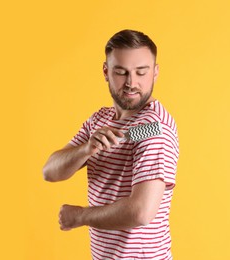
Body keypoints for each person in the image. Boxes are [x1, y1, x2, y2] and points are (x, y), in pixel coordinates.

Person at [43, 29, 179, 260]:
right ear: (106, 72)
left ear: (155, 73)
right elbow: (50, 171)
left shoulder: (156, 128)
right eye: (121, 72)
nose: (131, 83)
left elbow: (141, 212)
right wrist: (86, 149)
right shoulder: (100, 120)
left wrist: (79, 216)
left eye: (141, 72)